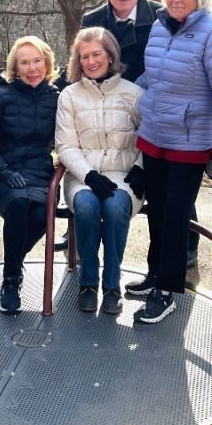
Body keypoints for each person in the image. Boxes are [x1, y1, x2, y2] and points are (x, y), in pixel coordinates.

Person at [132, 0, 212, 324]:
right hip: (154, 135)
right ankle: (154, 273)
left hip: (189, 139)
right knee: (157, 209)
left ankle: (167, 289)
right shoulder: (160, 26)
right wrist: (128, 96)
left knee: (177, 211)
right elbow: (153, 76)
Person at [82, 0, 200, 276]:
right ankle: (84, 222)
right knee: (100, 158)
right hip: (108, 102)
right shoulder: (92, 19)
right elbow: (85, 58)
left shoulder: (162, 17)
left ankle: (186, 242)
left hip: (152, 103)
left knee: (171, 180)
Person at [55, 27, 145, 315]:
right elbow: (65, 145)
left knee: (117, 208)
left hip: (124, 174)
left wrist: (142, 167)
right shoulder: (69, 96)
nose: (91, 61)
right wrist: (90, 176)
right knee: (87, 207)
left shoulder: (133, 94)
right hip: (84, 176)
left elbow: (151, 136)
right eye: (84, 57)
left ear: (110, 55)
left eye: (97, 54)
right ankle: (88, 281)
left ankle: (111, 284)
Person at [0, 36, 59, 314]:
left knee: (42, 216)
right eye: (24, 62)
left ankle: (14, 259)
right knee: (19, 204)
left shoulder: (56, 98)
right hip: (0, 174)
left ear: (46, 63)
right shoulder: (0, 97)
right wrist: (3, 170)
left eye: (37, 61)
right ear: (15, 66)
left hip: (39, 174)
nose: (32, 68)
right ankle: (11, 280)